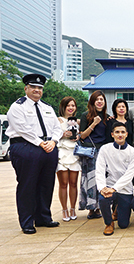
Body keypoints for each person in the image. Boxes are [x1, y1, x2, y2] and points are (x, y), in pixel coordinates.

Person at [6, 74, 63, 234]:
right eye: (33, 87)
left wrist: (53, 142)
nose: (37, 90)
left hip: (49, 147)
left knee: (46, 184)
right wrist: (40, 143)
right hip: (26, 147)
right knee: (27, 185)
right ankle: (27, 221)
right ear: (26, 88)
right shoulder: (18, 107)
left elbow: (57, 128)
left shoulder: (47, 108)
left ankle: (43, 217)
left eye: (39, 88)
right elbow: (22, 128)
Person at [96, 122, 134, 235]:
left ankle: (117, 208)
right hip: (109, 185)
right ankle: (109, 223)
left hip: (125, 189)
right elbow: (99, 170)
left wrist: (115, 188)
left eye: (122, 132)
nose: (120, 135)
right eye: (117, 132)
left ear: (126, 134)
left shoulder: (133, 152)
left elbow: (129, 175)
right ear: (112, 134)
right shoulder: (105, 149)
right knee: (102, 198)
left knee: (123, 225)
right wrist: (102, 187)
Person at [79, 90, 110, 220]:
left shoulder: (107, 117)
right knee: (90, 179)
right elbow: (82, 136)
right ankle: (91, 208)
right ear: (92, 102)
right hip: (90, 152)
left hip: (103, 151)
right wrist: (93, 124)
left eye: (101, 99)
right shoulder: (85, 116)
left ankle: (100, 206)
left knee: (102, 179)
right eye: (97, 99)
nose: (99, 102)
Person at [56, 97, 81, 222]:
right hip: (62, 152)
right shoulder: (57, 120)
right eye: (68, 106)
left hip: (74, 153)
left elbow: (83, 133)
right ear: (63, 107)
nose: (71, 108)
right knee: (63, 183)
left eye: (73, 105)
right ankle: (64, 209)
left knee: (73, 183)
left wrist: (78, 137)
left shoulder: (78, 121)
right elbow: (52, 134)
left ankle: (72, 208)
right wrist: (62, 134)